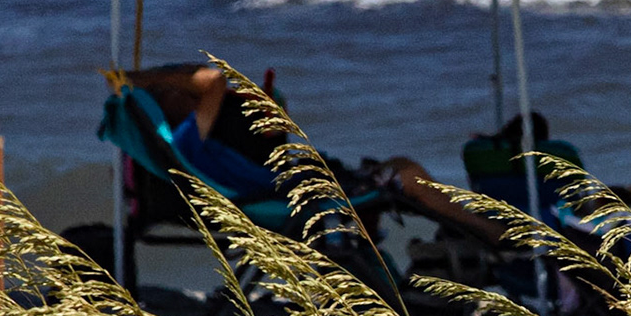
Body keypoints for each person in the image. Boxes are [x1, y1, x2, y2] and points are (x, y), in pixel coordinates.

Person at [124, 63, 512, 246]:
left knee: (399, 168)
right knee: (407, 176)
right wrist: (136, 79)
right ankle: (492, 235)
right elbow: (212, 78)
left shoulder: (199, 142)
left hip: (291, 186)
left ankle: (482, 232)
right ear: (167, 104)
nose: (186, 96)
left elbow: (212, 90)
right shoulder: (188, 140)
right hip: (286, 196)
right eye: (177, 94)